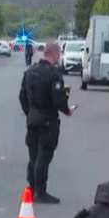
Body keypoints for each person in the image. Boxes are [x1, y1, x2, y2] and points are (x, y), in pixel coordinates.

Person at [18, 42, 72, 204]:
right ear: (54, 54)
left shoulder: (30, 72)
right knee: (44, 155)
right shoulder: (54, 75)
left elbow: (22, 97)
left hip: (32, 118)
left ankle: (32, 187)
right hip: (48, 120)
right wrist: (67, 109)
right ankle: (40, 192)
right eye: (59, 55)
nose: (59, 58)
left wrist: (30, 112)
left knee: (33, 155)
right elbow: (57, 100)